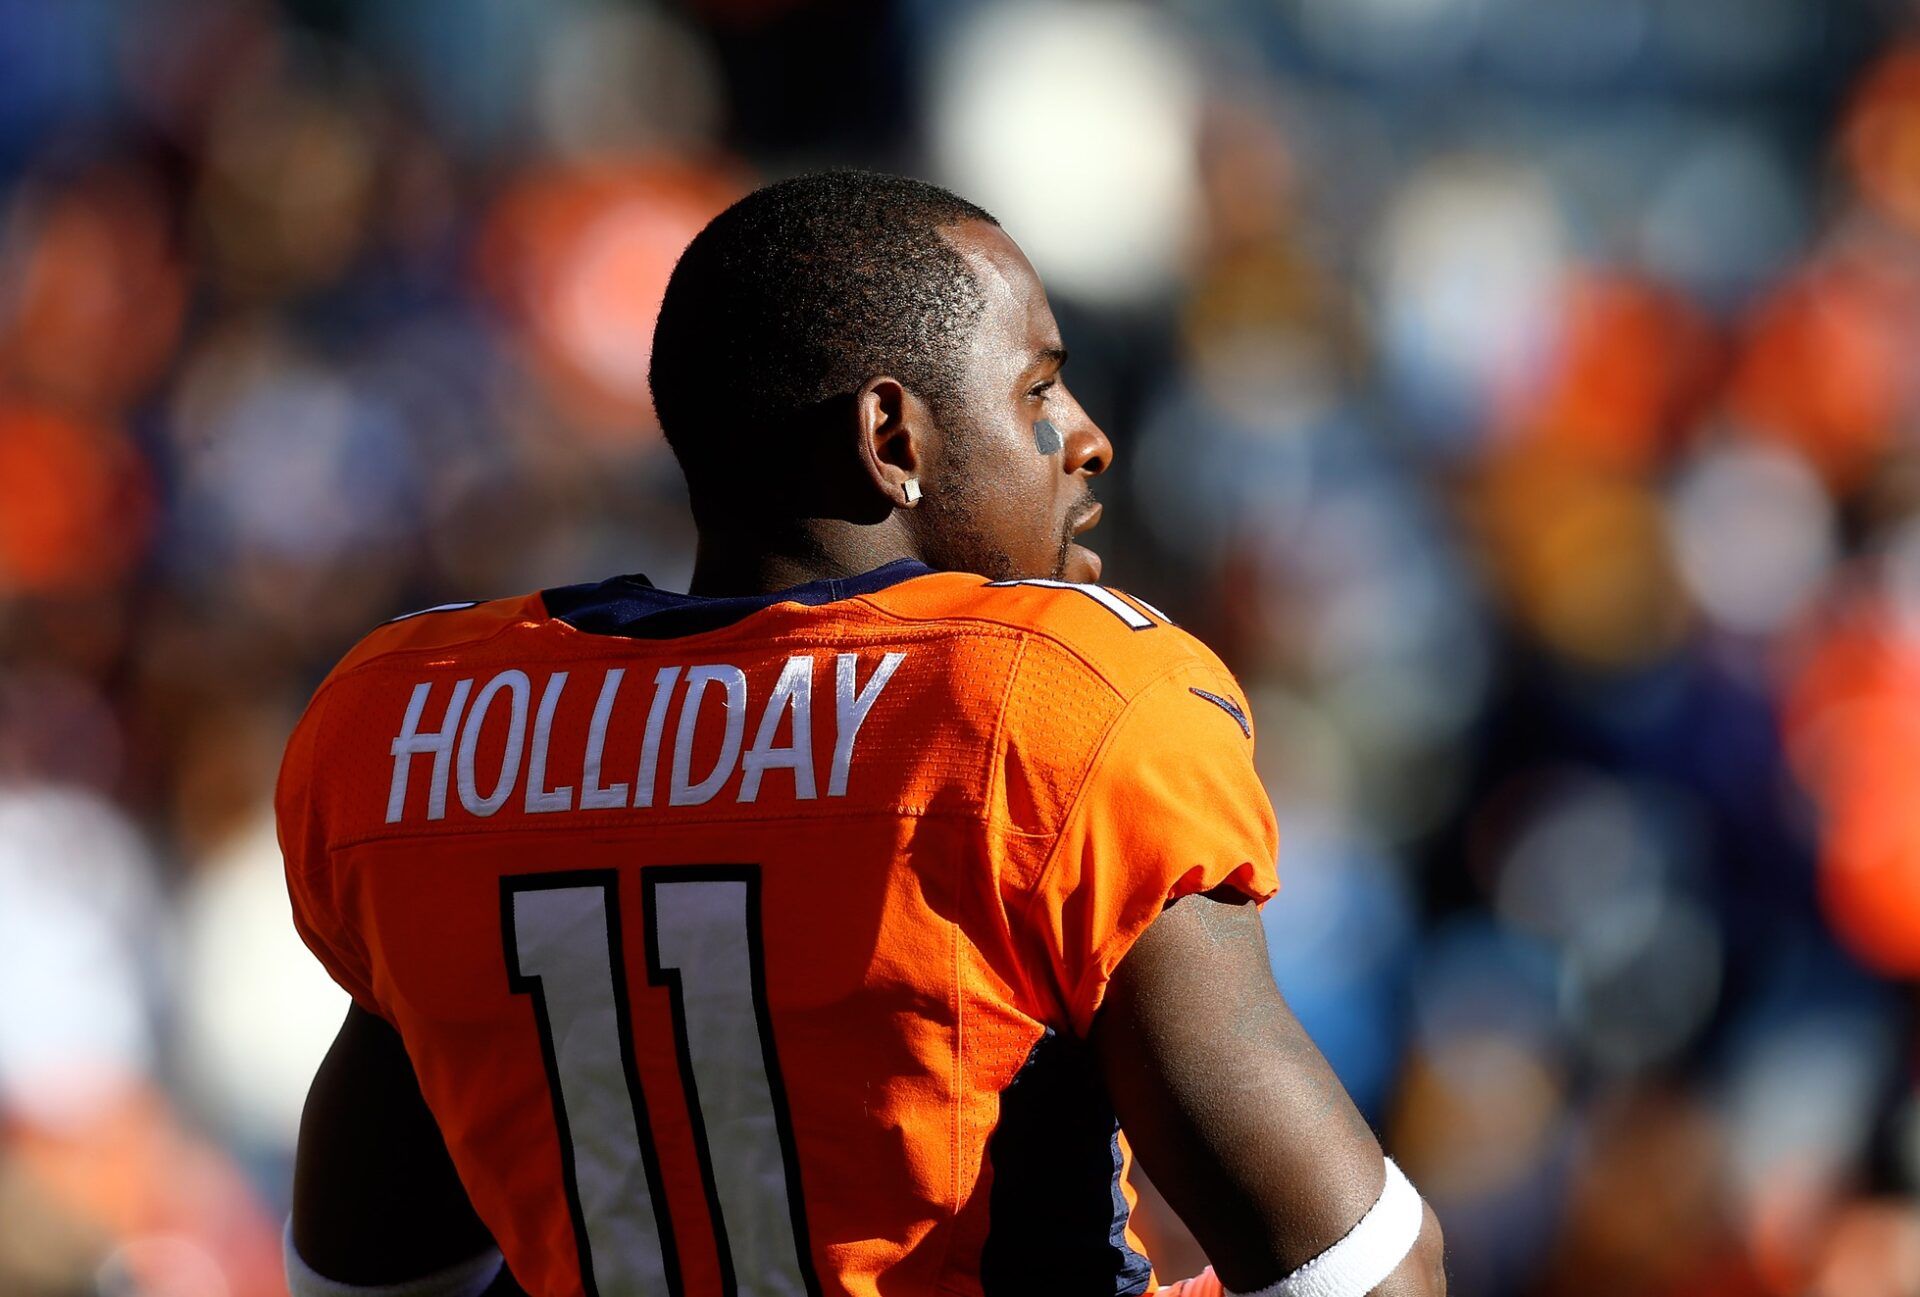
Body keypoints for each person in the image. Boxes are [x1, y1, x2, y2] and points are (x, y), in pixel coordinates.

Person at [278, 171, 1446, 1297]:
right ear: (892, 438)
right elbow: (1360, 1276)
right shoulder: (1049, 702)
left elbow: (366, 1271)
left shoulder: (417, 727)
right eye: (1038, 390)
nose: (1086, 439)